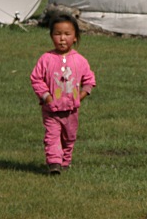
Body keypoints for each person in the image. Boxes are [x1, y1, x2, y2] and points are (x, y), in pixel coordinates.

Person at [30, 13, 96, 174]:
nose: (62, 39)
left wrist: (81, 95)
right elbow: (36, 79)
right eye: (57, 34)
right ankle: (54, 163)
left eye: (67, 34)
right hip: (51, 109)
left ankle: (65, 162)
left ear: (75, 37)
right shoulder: (46, 59)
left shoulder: (80, 60)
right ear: (51, 36)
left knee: (69, 137)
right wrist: (47, 96)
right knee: (52, 136)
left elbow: (89, 80)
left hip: (72, 110)